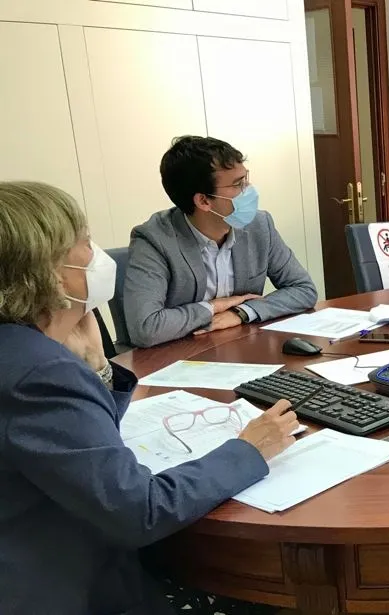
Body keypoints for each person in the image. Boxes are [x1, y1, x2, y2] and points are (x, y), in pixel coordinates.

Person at [0, 181, 299, 614]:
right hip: (64, 584)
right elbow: (141, 511)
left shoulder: (26, 353)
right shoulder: (38, 373)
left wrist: (98, 370)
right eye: (85, 241)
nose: (97, 254)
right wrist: (249, 449)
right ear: (51, 270)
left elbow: (75, 442)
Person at [124, 136, 318, 348]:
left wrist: (241, 312)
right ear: (203, 201)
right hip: (183, 354)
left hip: (244, 347)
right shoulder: (154, 240)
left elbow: (304, 289)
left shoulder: (259, 225)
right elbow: (146, 328)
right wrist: (214, 307)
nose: (249, 189)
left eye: (245, 179)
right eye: (238, 184)